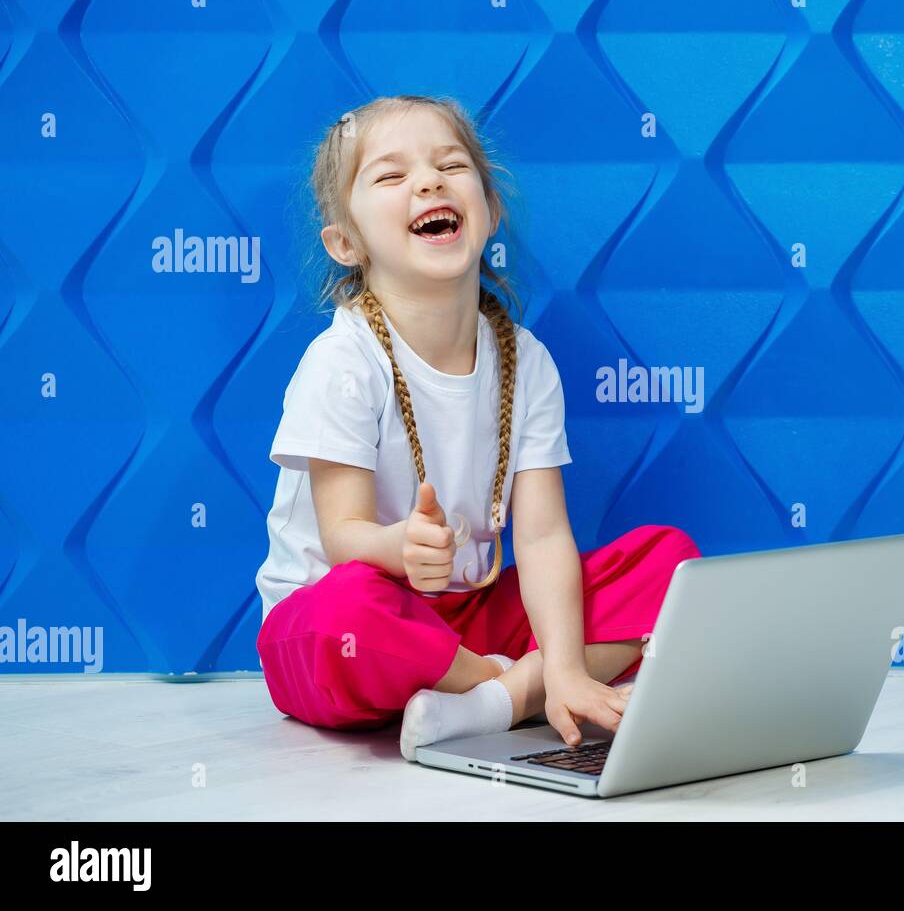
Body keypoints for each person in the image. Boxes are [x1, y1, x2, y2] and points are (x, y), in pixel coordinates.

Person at [253, 95, 701, 760]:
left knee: (669, 564)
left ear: (491, 211)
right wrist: (399, 548)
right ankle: (508, 688)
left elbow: (544, 535)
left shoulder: (527, 361)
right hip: (341, 624)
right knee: (348, 609)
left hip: (464, 614)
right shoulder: (341, 362)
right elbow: (344, 539)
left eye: (449, 164)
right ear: (345, 243)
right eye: (391, 175)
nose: (428, 181)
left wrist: (572, 668)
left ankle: (500, 697)